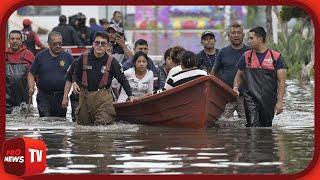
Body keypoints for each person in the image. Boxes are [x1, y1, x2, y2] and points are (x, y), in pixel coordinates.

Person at [73, 32, 136, 125]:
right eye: (97, 43)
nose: (100, 46)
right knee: (84, 131)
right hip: (85, 98)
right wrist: (75, 83)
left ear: (107, 46)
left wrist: (130, 95)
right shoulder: (83, 58)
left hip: (103, 100)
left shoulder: (112, 61)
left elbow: (122, 79)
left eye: (103, 44)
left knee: (101, 128)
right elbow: (75, 73)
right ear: (93, 44)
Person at [233, 26, 286, 127]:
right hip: (250, 98)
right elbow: (238, 76)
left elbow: (282, 83)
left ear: (260, 39)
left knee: (266, 127)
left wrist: (279, 102)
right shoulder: (246, 56)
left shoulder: (276, 57)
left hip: (269, 100)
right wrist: (235, 88)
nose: (248, 41)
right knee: (252, 127)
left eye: (251, 38)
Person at [28, 31, 74, 117]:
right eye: (55, 44)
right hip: (44, 97)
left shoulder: (68, 57)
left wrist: (66, 96)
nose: (58, 46)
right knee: (45, 121)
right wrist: (31, 87)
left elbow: (74, 75)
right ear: (48, 43)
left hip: (61, 96)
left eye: (60, 43)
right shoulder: (40, 56)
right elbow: (31, 74)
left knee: (60, 123)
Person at [211, 22, 250, 119]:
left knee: (248, 123)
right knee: (223, 122)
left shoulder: (250, 52)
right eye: (233, 33)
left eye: (239, 33)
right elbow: (213, 72)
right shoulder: (222, 52)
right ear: (229, 35)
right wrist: (217, 91)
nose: (236, 35)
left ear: (243, 35)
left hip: (245, 96)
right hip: (226, 96)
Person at [5, 30, 35, 114]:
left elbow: (35, 76)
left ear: (21, 41)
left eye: (17, 39)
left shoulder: (29, 55)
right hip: (6, 102)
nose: (15, 41)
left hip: (24, 101)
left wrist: (33, 88)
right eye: (12, 39)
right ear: (8, 40)